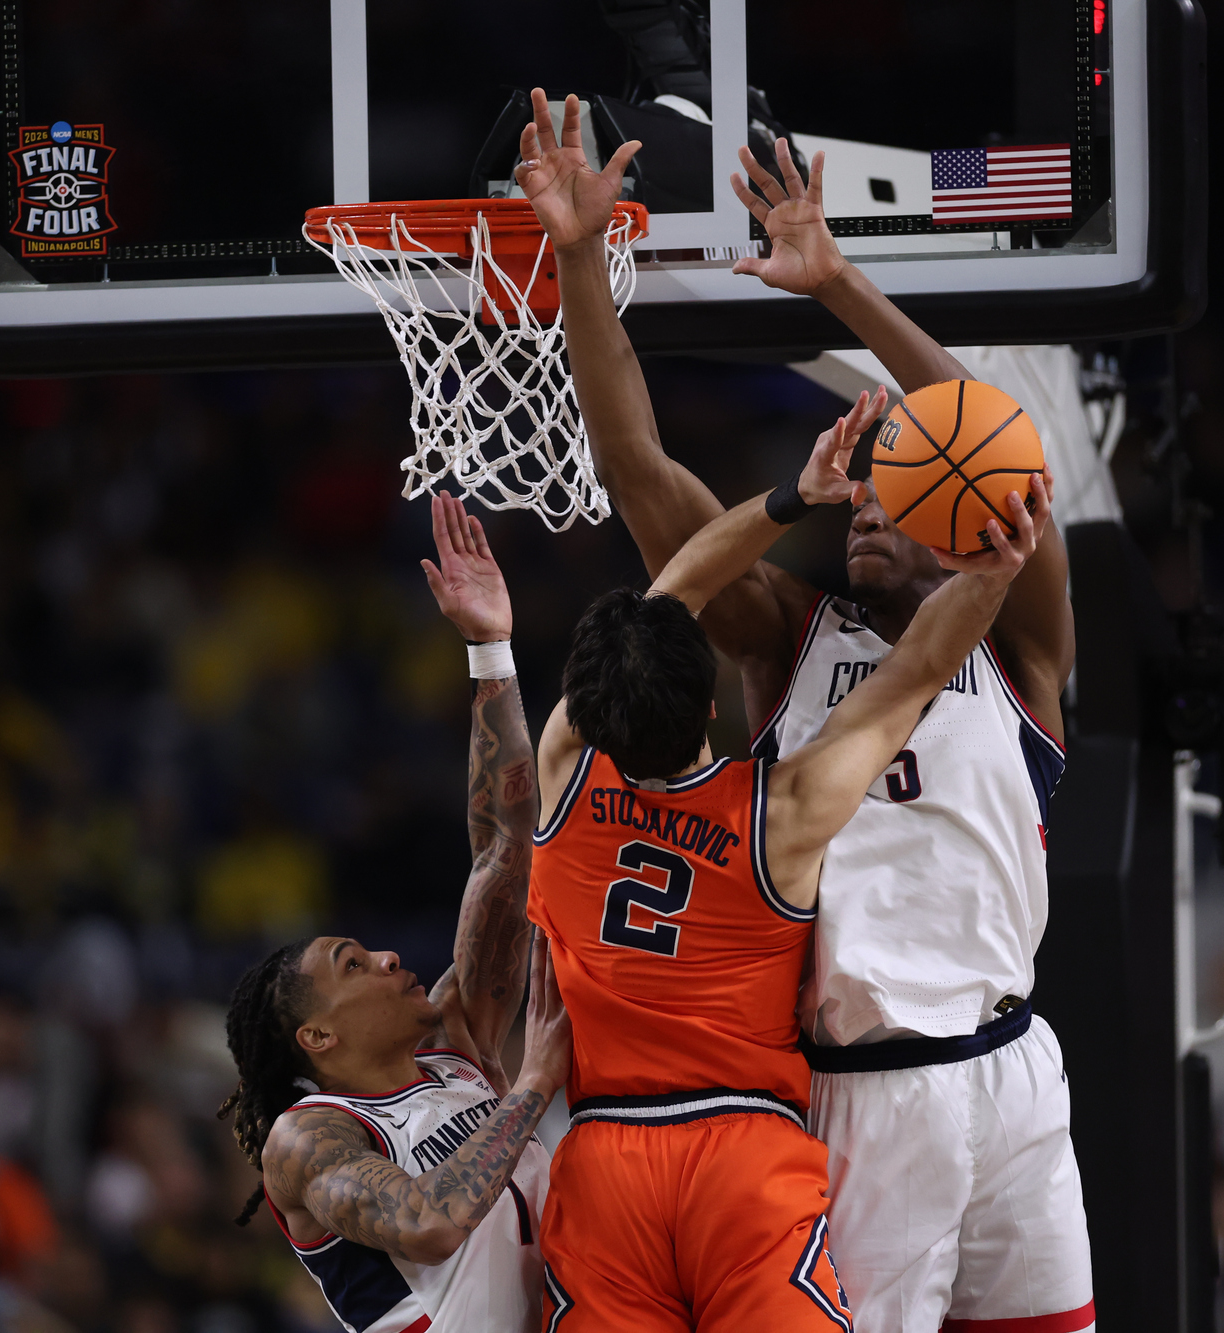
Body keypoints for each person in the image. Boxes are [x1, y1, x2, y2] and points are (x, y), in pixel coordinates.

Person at [521, 88, 1092, 1332]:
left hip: (1016, 1070)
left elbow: (1004, 450)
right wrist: (576, 265)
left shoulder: (1020, 639)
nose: (879, 500)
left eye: (911, 475)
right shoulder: (785, 637)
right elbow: (639, 475)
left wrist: (838, 283)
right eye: (869, 481)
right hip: (861, 1095)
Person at [219, 493, 569, 1333]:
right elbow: (428, 1222)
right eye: (351, 965)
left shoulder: (455, 1044)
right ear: (318, 1038)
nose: (384, 959)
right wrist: (529, 1088)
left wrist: (491, 649)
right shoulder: (307, 1141)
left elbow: (505, 850)